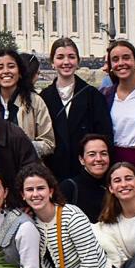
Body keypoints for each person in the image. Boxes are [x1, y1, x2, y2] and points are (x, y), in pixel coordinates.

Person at [40, 38, 113, 182]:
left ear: (78, 62)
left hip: (87, 174)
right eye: (60, 57)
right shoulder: (43, 97)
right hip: (54, 174)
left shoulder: (93, 96)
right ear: (52, 62)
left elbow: (105, 135)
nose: (66, 62)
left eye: (71, 57)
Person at [0, 49, 55, 158]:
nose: (6, 71)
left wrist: (21, 147)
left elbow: (48, 143)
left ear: (20, 72)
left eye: (11, 66)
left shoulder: (35, 101)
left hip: (25, 166)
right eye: (0, 67)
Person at [59, 135, 112, 222]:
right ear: (81, 160)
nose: (99, 159)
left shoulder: (114, 186)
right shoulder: (69, 188)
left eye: (103, 154)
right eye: (92, 154)